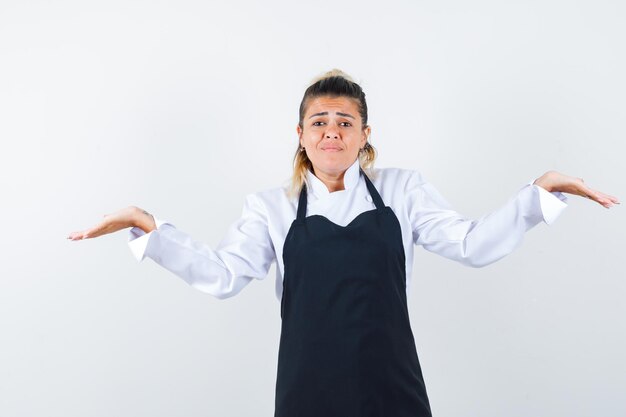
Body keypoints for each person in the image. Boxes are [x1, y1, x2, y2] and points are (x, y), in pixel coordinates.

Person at [68, 69, 619, 417]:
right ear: (302, 135)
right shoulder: (271, 206)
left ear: (364, 134)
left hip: (391, 384)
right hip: (308, 386)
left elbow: (471, 245)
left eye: (345, 121)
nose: (332, 130)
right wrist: (148, 226)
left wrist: (537, 196)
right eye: (319, 121)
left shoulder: (404, 190)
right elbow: (224, 276)